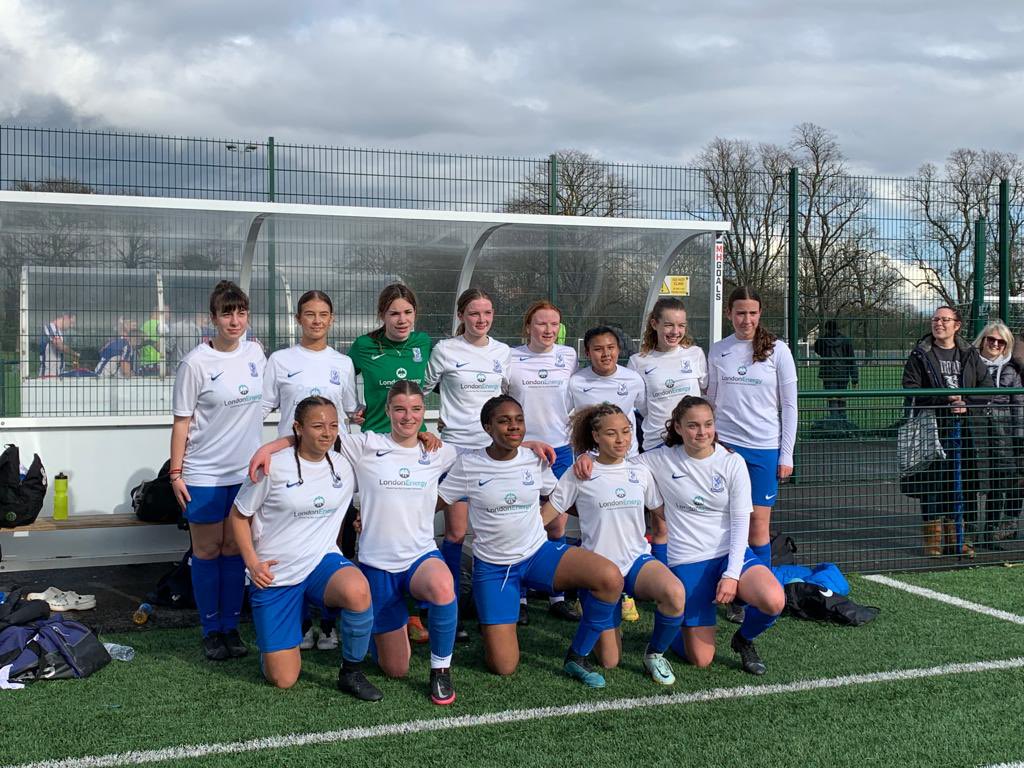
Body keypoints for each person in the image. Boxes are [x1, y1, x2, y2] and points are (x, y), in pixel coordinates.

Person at [437, 395, 624, 687]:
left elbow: (562, 497)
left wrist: (590, 462)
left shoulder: (535, 459)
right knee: (503, 666)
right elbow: (434, 502)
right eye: (504, 421)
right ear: (487, 427)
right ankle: (486, 610)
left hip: (538, 554)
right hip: (495, 569)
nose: (514, 426)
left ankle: (578, 654)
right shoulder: (468, 465)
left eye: (519, 420)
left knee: (610, 577)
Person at [229, 396, 380, 700]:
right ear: (298, 427)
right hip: (276, 572)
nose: (327, 432)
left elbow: (396, 447)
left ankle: (351, 672)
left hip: (321, 562)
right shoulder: (272, 466)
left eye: (333, 425)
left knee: (358, 590)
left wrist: (426, 437)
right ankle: (277, 641)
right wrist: (253, 564)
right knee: (283, 679)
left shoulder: (343, 464)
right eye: (318, 426)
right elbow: (238, 516)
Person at [545, 404, 686, 685]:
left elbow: (663, 512)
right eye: (611, 433)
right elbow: (547, 515)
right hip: (598, 570)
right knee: (610, 661)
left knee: (674, 593)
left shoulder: (640, 471)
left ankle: (655, 654)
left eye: (626, 431)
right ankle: (597, 611)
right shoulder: (580, 472)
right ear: (596, 436)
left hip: (636, 560)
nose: (621, 439)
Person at [169, 281, 266, 661]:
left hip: (245, 474)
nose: (235, 320)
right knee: (208, 550)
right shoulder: (195, 363)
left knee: (235, 548)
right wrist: (176, 474)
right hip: (204, 474)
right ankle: (211, 630)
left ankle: (231, 627)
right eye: (227, 313)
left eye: (241, 312)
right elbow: (181, 422)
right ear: (213, 318)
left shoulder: (256, 353)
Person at [262, 290, 362, 650]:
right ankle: (302, 622)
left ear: (331, 320)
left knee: (335, 542)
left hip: (333, 468)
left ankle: (329, 624)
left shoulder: (343, 363)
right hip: (294, 466)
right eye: (309, 314)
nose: (316, 321)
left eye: (323, 315)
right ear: (298, 319)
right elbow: (259, 410)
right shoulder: (280, 360)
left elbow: (351, 413)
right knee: (296, 543)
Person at [346, 283, 432, 642]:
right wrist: (350, 410)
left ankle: (412, 613)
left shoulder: (424, 343)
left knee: (412, 529)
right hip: (374, 451)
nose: (402, 320)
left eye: (408, 312)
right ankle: (365, 606)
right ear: (382, 315)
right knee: (368, 528)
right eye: (394, 313)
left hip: (414, 448)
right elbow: (340, 379)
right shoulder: (364, 346)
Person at [423, 288, 511, 632]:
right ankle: (451, 606)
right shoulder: (445, 350)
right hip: (457, 450)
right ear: (461, 316)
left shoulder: (502, 352)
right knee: (457, 532)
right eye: (474, 313)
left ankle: (496, 601)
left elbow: (509, 397)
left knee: (494, 528)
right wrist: (429, 428)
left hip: (494, 452)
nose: (481, 320)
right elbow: (422, 389)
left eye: (487, 313)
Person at [707, 287, 797, 604]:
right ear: (729, 314)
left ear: (760, 314)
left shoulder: (778, 351)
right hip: (725, 449)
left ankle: (754, 599)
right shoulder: (718, 350)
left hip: (763, 449)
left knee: (758, 526)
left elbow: (790, 406)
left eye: (753, 313)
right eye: (740, 313)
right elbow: (711, 401)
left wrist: (786, 454)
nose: (747, 320)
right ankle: (723, 584)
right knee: (723, 521)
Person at [569, 325, 652, 623]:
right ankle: (588, 590)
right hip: (591, 466)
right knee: (594, 529)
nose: (605, 354)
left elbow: (644, 414)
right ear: (587, 352)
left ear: (619, 350)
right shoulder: (576, 382)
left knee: (630, 526)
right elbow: (569, 422)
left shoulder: (632, 379)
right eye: (598, 349)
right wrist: (581, 455)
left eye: (611, 347)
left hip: (626, 465)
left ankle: (627, 593)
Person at [507, 300, 580, 622]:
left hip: (559, 449)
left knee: (557, 523)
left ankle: (556, 594)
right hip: (522, 450)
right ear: (528, 327)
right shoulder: (510, 357)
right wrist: (517, 441)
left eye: (554, 324)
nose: (548, 330)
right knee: (523, 521)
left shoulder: (569, 356)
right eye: (541, 323)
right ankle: (521, 596)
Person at [902, 306, 992, 558]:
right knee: (932, 484)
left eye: (944, 319)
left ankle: (957, 539)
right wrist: (945, 399)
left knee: (959, 484)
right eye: (935, 319)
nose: (939, 323)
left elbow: (986, 386)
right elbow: (911, 388)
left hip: (964, 430)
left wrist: (967, 403)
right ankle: (933, 541)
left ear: (957, 325)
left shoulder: (969, 353)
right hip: (932, 429)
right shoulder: (920, 354)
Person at [628, 297, 707, 452]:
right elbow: (642, 407)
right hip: (657, 441)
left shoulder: (695, 354)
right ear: (654, 324)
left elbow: (705, 392)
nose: (675, 332)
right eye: (669, 325)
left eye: (681, 325)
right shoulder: (638, 362)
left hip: (691, 441)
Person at [973, 322, 1023, 550]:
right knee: (971, 482)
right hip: (976, 432)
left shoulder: (1011, 370)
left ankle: (992, 532)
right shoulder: (970, 363)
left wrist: (1019, 437)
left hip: (1003, 436)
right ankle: (968, 533)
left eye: (1000, 341)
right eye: (991, 339)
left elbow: (1018, 405)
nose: (995, 344)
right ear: (983, 340)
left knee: (1000, 484)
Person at [813, 319, 858, 424]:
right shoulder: (846, 341)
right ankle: (843, 421)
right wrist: (854, 377)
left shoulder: (822, 341)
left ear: (827, 329)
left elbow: (817, 350)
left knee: (832, 398)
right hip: (843, 373)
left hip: (828, 374)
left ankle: (834, 422)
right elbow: (851, 359)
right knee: (842, 398)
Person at [39, 312, 77, 377]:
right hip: (48, 374)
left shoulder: (59, 332)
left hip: (57, 374)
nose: (71, 326)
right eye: (71, 323)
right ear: (65, 317)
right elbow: (59, 346)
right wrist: (74, 354)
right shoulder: (50, 327)